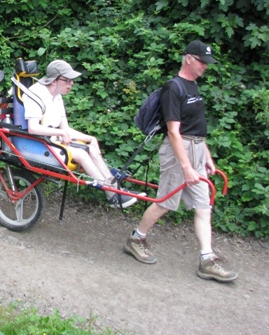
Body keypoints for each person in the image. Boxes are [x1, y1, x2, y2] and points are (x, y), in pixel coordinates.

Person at [123, 40, 238, 282]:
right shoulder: (173, 88)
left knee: (203, 206)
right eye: (202, 62)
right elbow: (174, 131)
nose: (205, 67)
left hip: (195, 148)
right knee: (165, 201)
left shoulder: (193, 86)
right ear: (188, 58)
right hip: (178, 151)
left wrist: (205, 156)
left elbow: (196, 126)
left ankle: (207, 259)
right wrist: (186, 166)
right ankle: (135, 238)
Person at [22, 60, 145, 208]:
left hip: (54, 142)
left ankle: (116, 190)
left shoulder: (57, 96)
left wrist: (90, 138)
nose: (71, 84)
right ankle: (112, 195)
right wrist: (60, 132)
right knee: (82, 154)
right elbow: (33, 128)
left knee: (91, 149)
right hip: (38, 143)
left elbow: (65, 128)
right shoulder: (36, 94)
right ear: (54, 80)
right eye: (67, 80)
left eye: (72, 80)